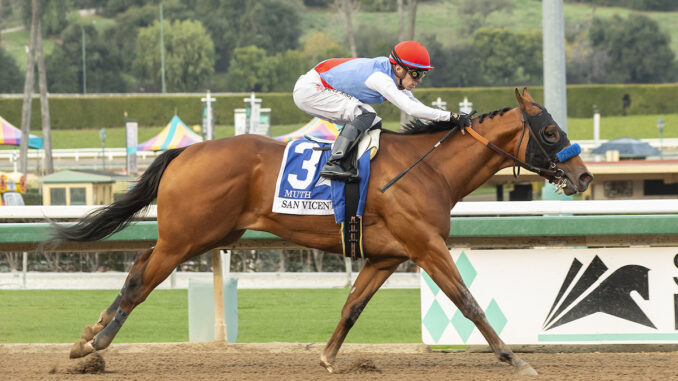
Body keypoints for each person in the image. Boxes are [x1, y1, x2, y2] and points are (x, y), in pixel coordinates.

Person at [293, 40, 471, 182]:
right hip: (311, 89)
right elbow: (412, 109)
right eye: (416, 74)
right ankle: (335, 163)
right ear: (399, 68)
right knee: (365, 114)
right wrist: (452, 116)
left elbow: (419, 109)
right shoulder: (380, 78)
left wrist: (448, 122)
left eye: (423, 74)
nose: (419, 79)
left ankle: (354, 163)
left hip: (317, 85)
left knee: (374, 122)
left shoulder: (392, 73)